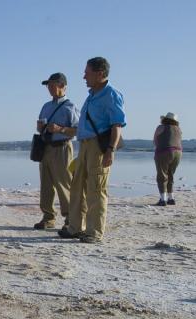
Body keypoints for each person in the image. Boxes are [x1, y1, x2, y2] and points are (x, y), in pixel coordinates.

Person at [58, 57, 125, 243]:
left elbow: (117, 125)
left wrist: (110, 150)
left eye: (87, 72)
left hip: (98, 146)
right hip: (85, 145)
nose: (83, 76)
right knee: (77, 187)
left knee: (97, 188)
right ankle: (75, 227)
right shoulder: (92, 94)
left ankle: (94, 232)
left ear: (100, 74)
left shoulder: (112, 94)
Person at [34, 73, 80, 230]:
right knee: (46, 185)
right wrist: (40, 128)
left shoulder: (70, 106)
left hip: (62, 148)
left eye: (52, 85)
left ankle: (70, 219)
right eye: (48, 85)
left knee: (64, 184)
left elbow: (78, 130)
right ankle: (48, 217)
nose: (49, 88)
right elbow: (40, 125)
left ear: (63, 86)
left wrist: (60, 128)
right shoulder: (46, 106)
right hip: (46, 147)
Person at [153, 112, 182, 206]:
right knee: (171, 175)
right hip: (178, 152)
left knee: (162, 175)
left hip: (164, 151)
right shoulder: (179, 129)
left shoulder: (161, 127)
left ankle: (163, 199)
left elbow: (155, 141)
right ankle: (171, 198)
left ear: (165, 119)